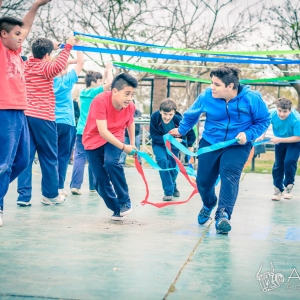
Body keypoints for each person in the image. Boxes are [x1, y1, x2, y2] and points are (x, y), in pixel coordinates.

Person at [169, 65, 270, 234]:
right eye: (212, 83)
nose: (212, 87)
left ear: (230, 86)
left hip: (238, 144)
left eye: (216, 84)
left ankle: (223, 215)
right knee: (203, 181)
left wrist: (249, 134)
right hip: (210, 142)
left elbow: (263, 120)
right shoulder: (207, 96)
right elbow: (192, 114)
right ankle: (209, 203)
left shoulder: (252, 99)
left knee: (229, 173)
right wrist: (181, 130)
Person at [0, 0, 52, 227]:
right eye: (16, 34)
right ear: (3, 34)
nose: (22, 37)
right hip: (5, 111)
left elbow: (26, 27)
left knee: (21, 162)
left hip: (20, 112)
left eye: (22, 35)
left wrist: (36, 6)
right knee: (4, 164)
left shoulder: (15, 51)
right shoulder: (2, 51)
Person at [17, 36, 77, 206]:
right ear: (47, 55)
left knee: (26, 157)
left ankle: (23, 197)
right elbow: (58, 65)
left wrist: (53, 47)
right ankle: (49, 195)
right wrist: (68, 46)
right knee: (49, 157)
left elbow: (33, 56)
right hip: (43, 117)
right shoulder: (46, 67)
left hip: (26, 116)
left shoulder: (26, 64)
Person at [83, 73, 138, 221]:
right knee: (99, 181)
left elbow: (130, 122)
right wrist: (124, 147)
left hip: (115, 135)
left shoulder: (130, 105)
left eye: (132, 94)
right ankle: (116, 208)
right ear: (114, 91)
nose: (129, 98)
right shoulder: (100, 101)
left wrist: (132, 144)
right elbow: (102, 131)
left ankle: (124, 200)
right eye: (127, 94)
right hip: (93, 138)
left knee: (111, 162)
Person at [70, 63, 113, 195]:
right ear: (94, 82)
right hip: (93, 131)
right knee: (94, 157)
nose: (101, 83)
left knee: (79, 157)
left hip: (81, 130)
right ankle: (93, 186)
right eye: (99, 81)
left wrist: (104, 73)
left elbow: (104, 83)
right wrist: (110, 70)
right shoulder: (96, 92)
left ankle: (75, 185)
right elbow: (109, 83)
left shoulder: (83, 92)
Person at [54, 41, 84, 197]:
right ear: (64, 69)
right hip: (67, 123)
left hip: (50, 121)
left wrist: (61, 58)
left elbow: (54, 64)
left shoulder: (49, 80)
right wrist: (78, 45)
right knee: (63, 156)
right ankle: (59, 187)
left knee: (50, 156)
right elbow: (81, 62)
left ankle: (50, 188)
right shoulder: (67, 81)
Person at [150, 98, 196, 201]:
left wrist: (189, 148)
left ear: (174, 113)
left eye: (170, 114)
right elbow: (154, 135)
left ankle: (173, 185)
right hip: (159, 144)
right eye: (165, 114)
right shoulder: (155, 117)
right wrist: (169, 139)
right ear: (160, 111)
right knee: (162, 161)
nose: (167, 117)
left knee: (173, 168)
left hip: (174, 146)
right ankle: (168, 192)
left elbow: (191, 134)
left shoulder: (179, 120)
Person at [259, 98, 300, 201]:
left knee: (289, 161)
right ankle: (278, 189)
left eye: (285, 112)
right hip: (280, 141)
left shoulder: (296, 119)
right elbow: (265, 123)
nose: (281, 114)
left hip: (293, 141)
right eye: (280, 111)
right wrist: (262, 136)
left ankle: (289, 187)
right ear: (277, 109)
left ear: (290, 110)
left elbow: (298, 137)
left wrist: (279, 139)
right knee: (278, 165)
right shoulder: (271, 113)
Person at [119, 100, 142, 166]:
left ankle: (138, 161)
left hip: (136, 133)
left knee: (137, 147)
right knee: (124, 147)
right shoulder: (124, 111)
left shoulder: (138, 112)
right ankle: (122, 161)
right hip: (126, 133)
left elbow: (135, 119)